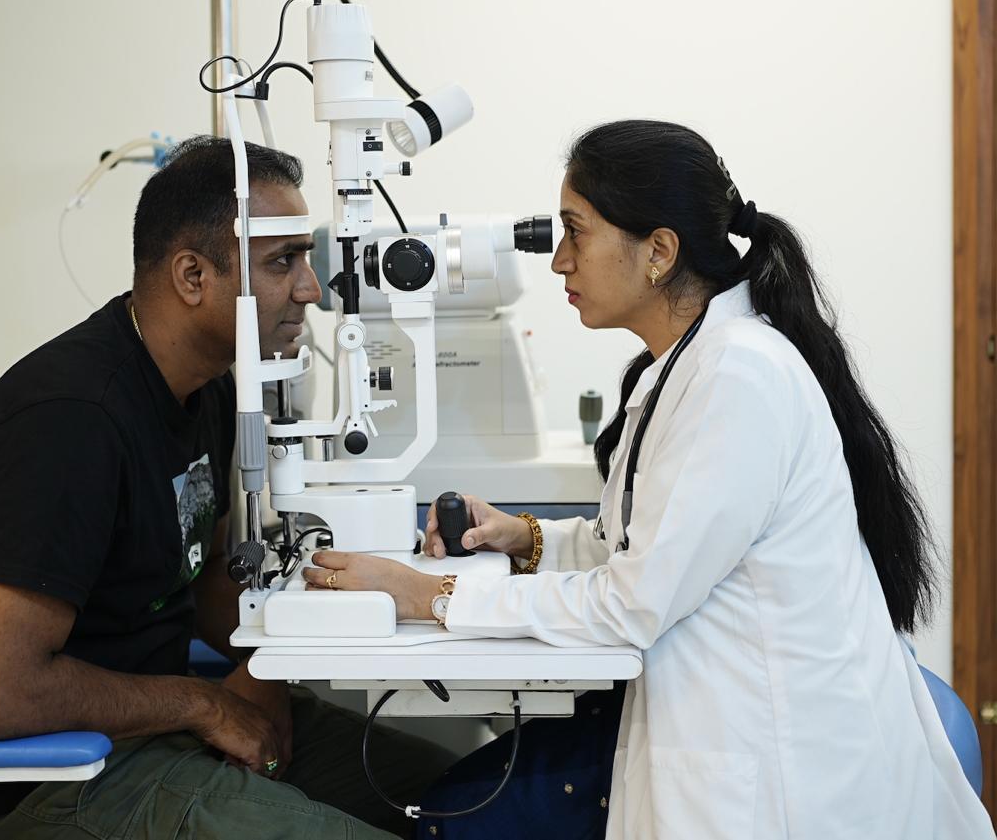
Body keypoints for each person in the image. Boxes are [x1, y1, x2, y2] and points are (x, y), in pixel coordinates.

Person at [302, 120, 995, 839]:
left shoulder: (737, 377)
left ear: (659, 252)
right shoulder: (686, 365)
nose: (559, 261)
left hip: (787, 779)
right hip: (733, 744)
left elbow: (632, 603)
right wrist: (525, 536)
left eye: (575, 232)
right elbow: (642, 543)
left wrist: (430, 595)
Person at [0, 135, 453, 840]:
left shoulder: (210, 388)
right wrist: (206, 705)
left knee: (456, 795)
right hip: (42, 781)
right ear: (193, 275)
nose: (312, 289)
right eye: (283, 261)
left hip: (148, 733)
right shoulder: (73, 421)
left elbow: (199, 576)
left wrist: (267, 664)